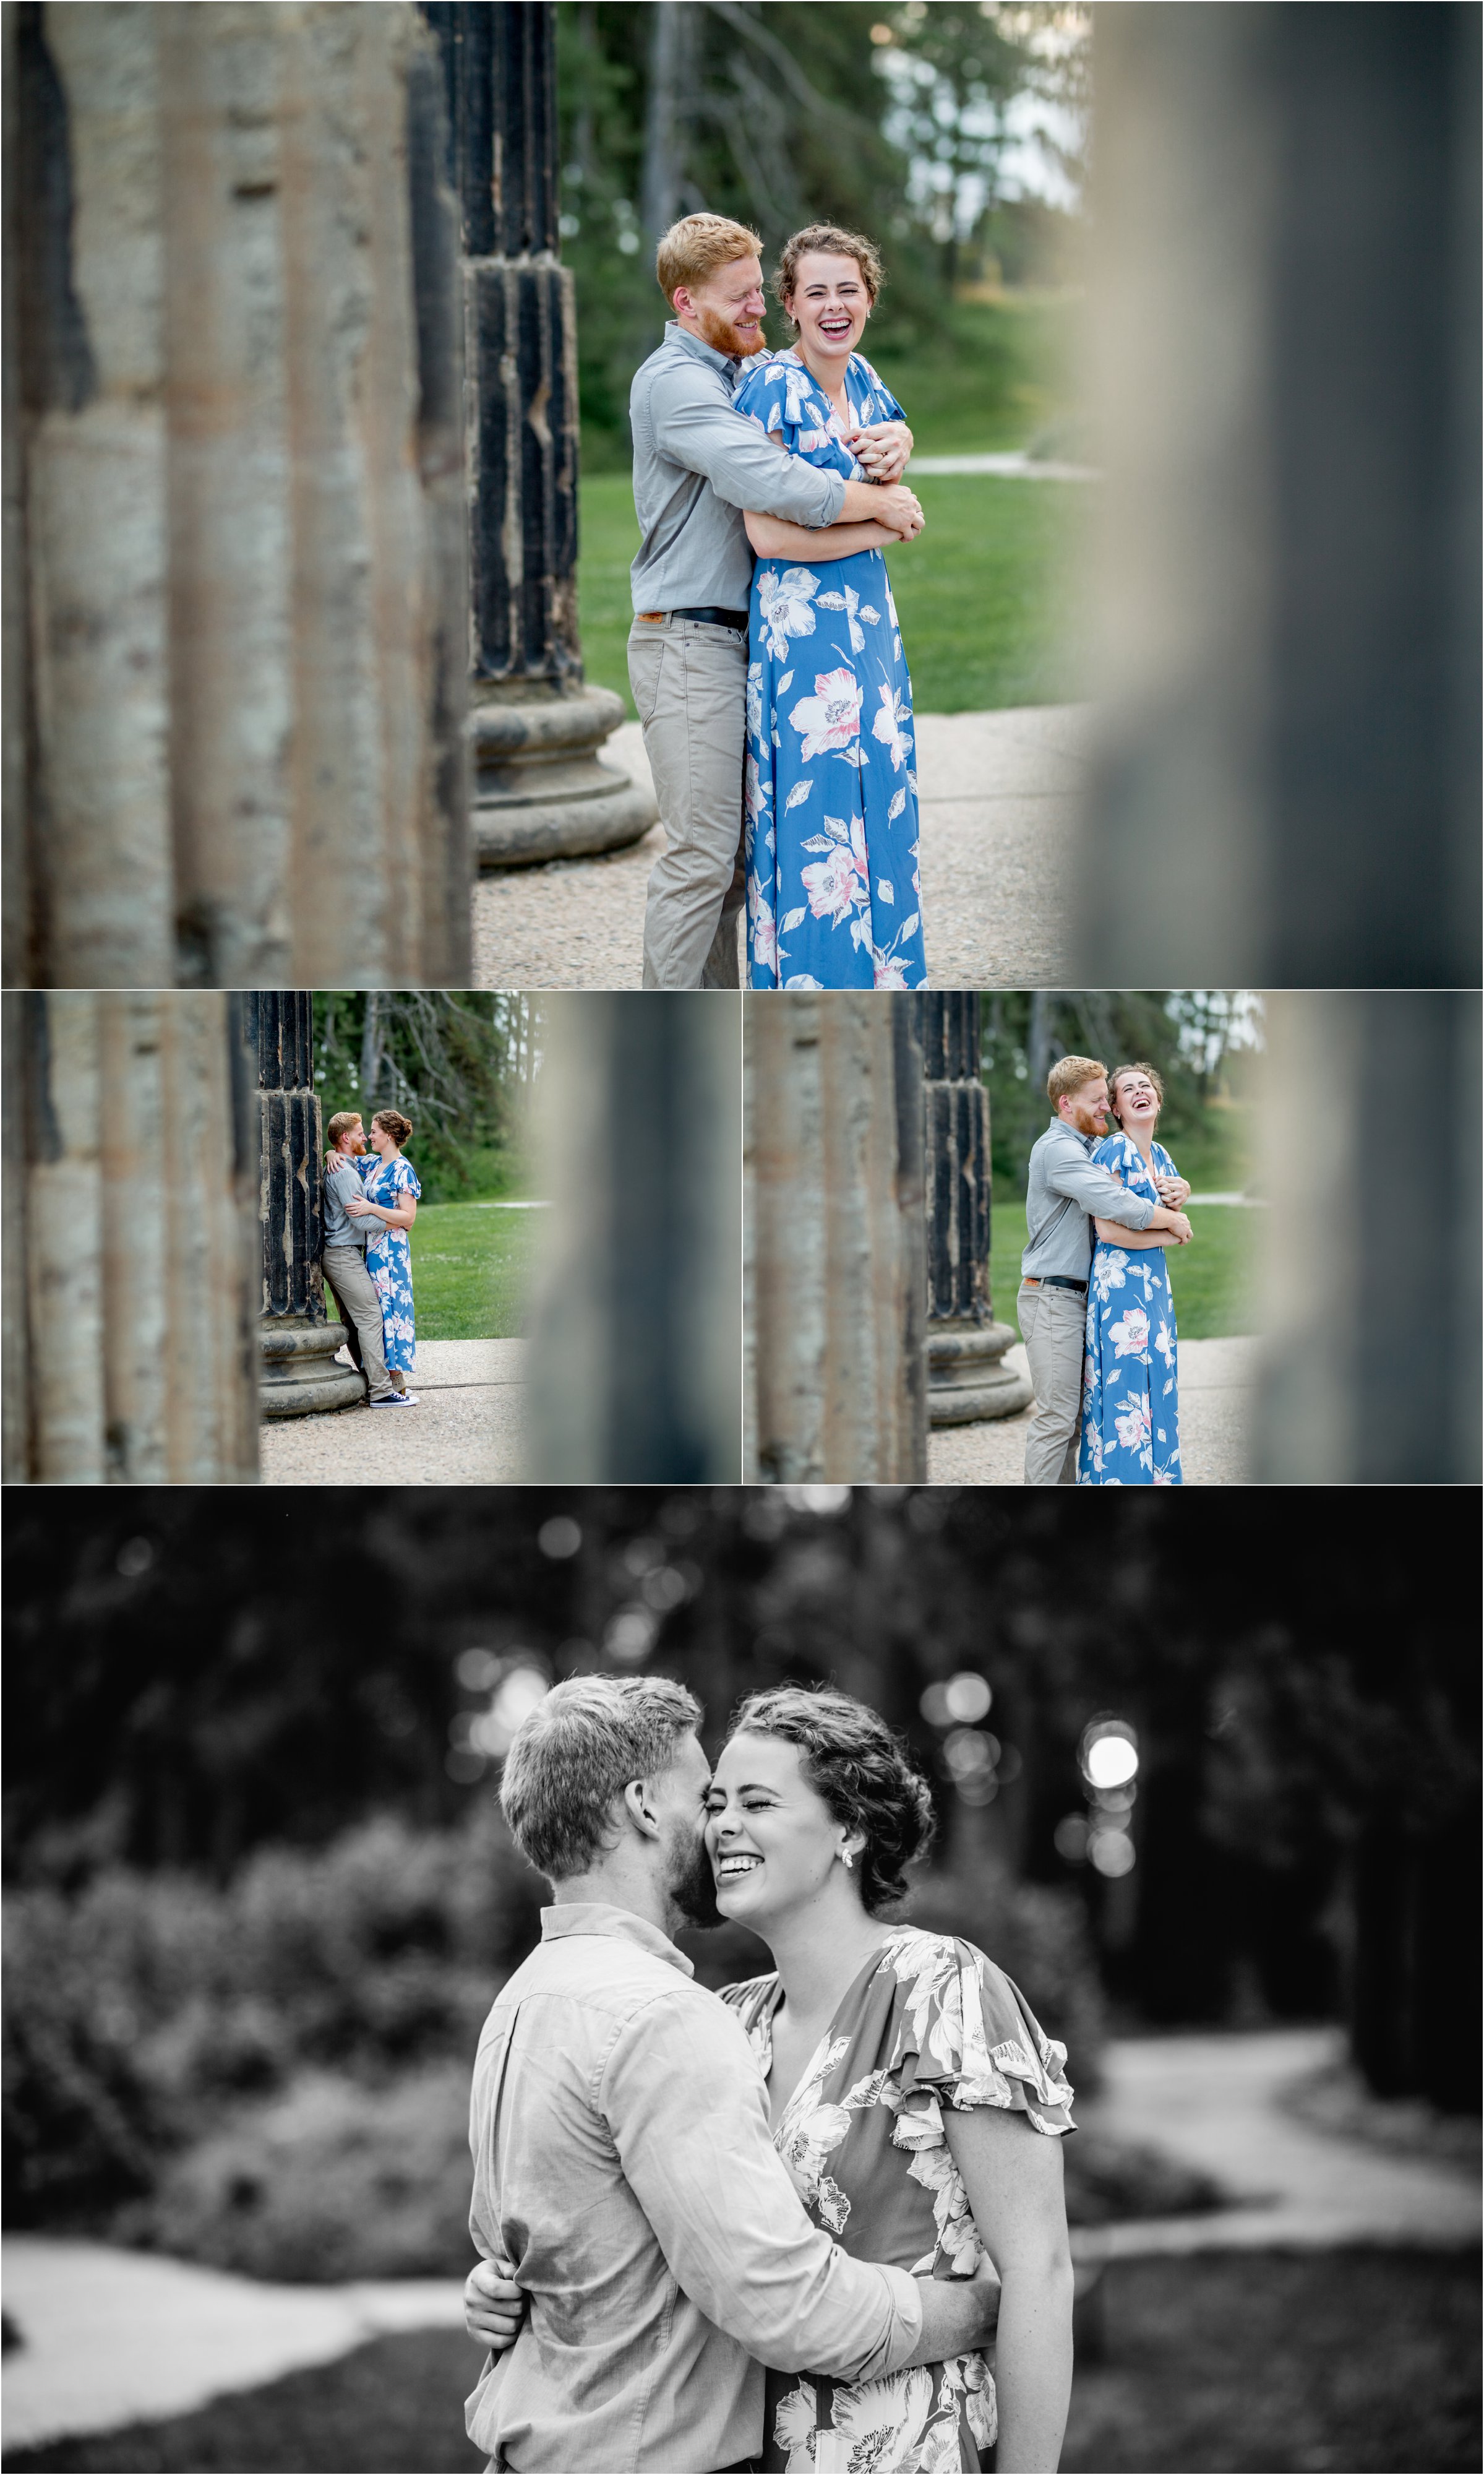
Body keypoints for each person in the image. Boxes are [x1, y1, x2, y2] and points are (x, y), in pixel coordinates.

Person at [460, 1674, 1000, 2475]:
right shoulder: (661, 2016)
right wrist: (971, 2309)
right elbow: (782, 2303)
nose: (717, 1827)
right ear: (644, 1806)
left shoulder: (521, 2004)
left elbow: (536, 2240)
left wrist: (494, 2289)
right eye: (705, 1798)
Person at [706, 1686, 1076, 2473]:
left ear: (849, 1827)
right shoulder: (717, 2024)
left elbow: (1037, 2270)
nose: (721, 1825)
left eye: (756, 1801)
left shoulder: (942, 1989)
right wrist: (504, 2293)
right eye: (714, 1802)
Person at [629, 213, 922, 994]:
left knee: (732, 862)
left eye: (760, 290)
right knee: (702, 858)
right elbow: (772, 485)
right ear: (686, 303)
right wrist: (884, 512)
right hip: (688, 638)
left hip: (739, 637)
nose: (757, 307)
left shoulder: (734, 368)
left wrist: (901, 438)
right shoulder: (680, 386)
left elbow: (840, 410)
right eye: (742, 297)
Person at [734, 226, 927, 991]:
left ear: (869, 298)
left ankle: (883, 977)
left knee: (878, 800)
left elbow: (893, 447)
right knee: (817, 827)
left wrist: (901, 448)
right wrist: (884, 519)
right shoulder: (770, 388)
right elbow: (766, 536)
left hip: (871, 629)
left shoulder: (868, 379)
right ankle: (815, 982)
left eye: (846, 289)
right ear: (789, 304)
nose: (833, 305)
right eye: (814, 291)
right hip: (803, 639)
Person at [1019, 1057, 1192, 1486]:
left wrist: (1182, 1189)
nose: (1103, 1108)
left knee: (1080, 1420)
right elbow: (1115, 1206)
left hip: (1083, 1296)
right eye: (1097, 1100)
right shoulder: (1058, 1151)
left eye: (1104, 1099)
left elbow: (1138, 1175)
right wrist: (1171, 1225)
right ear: (1065, 1103)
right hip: (1053, 1295)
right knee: (1058, 1419)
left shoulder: (1091, 1147)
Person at [1078, 1062, 1186, 1484]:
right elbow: (1106, 1229)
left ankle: (1159, 1478)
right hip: (1119, 1288)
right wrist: (1172, 1235)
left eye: (1146, 1086)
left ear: (1157, 1100)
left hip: (1154, 1286)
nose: (1139, 1092)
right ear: (1117, 1107)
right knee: (1124, 1395)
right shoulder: (1112, 1150)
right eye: (1127, 1089)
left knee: (1156, 1383)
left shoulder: (1160, 1156)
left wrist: (1183, 1197)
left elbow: (1172, 1205)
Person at [320, 1112, 406, 1410]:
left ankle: (372, 1384)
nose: (365, 1138)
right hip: (343, 1255)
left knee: (355, 1322)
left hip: (341, 1254)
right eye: (360, 1133)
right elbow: (362, 1220)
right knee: (370, 1316)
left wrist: (329, 1151)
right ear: (346, 1137)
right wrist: (398, 1223)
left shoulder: (346, 1164)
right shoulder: (344, 1172)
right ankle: (382, 1391)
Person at [341, 1108, 421, 1403]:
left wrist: (372, 1208)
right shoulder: (373, 1165)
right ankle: (388, 1381)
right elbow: (347, 1157)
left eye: (373, 1131)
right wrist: (329, 1155)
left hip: (392, 1251)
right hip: (373, 1249)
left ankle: (395, 1379)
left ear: (388, 1135)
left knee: (392, 1310)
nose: (369, 1136)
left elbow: (409, 1218)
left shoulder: (403, 1169)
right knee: (377, 1311)